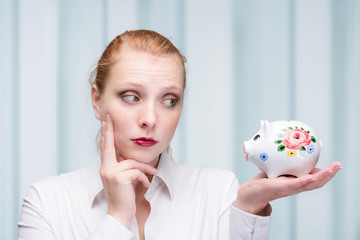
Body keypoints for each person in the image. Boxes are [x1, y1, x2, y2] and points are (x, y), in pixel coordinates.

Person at [17, 30, 342, 240]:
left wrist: (249, 210)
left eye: (169, 100)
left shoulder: (218, 191)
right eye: (131, 96)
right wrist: (117, 217)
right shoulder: (47, 202)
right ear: (97, 100)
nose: (150, 119)